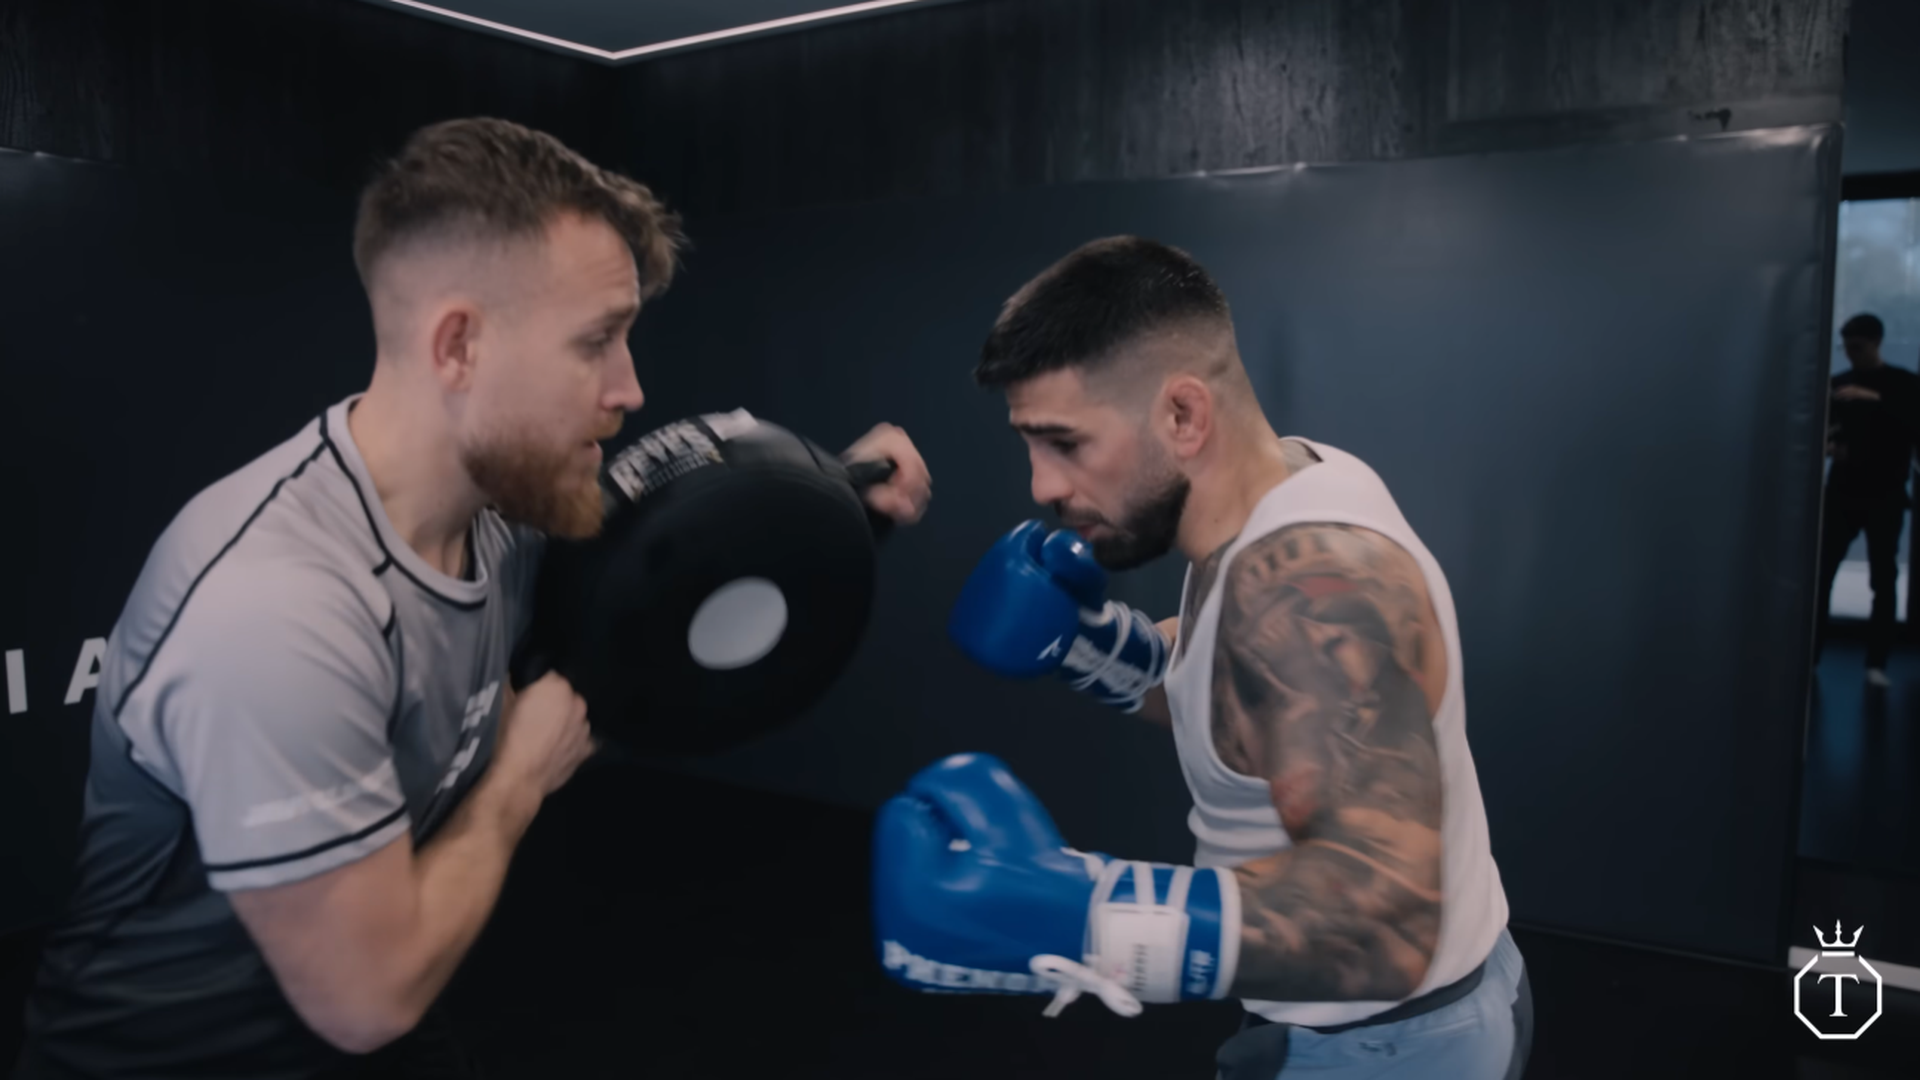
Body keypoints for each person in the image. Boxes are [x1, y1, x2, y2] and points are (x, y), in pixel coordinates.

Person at [11, 117, 931, 1080]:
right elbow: (366, 999)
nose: (630, 388)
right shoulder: (279, 611)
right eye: (597, 341)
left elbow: (676, 557)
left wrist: (838, 488)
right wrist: (517, 781)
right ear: (458, 345)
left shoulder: (506, 517)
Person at [875, 237, 1528, 1078]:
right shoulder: (1285, 484)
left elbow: (1386, 927)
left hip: (1388, 1043)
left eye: (1064, 443)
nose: (1040, 486)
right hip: (1424, 1010)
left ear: (1183, 416)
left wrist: (1085, 921)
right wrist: (1094, 648)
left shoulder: (1312, 585)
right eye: (1030, 445)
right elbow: (1234, 690)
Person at [1816, 313, 1920, 687]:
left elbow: (1913, 428)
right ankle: (1810, 658)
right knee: (1822, 573)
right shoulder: (1838, 385)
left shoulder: (1903, 385)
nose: (1850, 353)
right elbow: (1822, 432)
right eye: (1846, 346)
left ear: (1876, 342)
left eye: (1856, 346)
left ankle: (1876, 661)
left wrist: (1876, 399)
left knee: (1883, 577)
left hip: (1885, 495)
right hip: (1844, 491)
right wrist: (1829, 448)